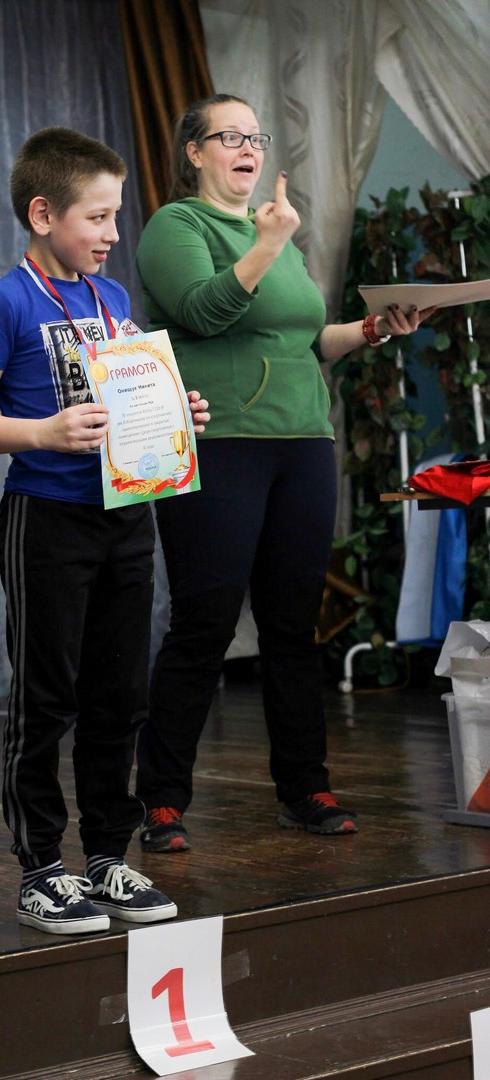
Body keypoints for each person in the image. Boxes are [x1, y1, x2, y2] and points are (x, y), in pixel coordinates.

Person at [134, 94, 435, 853]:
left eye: (255, 136)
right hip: (218, 443)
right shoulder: (177, 226)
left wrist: (372, 328)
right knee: (204, 624)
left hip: (301, 442)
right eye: (229, 136)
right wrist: (268, 244)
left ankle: (305, 788)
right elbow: (203, 312)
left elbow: (304, 340)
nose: (249, 148)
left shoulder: (276, 233)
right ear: (195, 152)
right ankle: (161, 800)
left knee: (293, 629)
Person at [0, 127, 209, 934]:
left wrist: (175, 415)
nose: (112, 233)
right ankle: (40, 869)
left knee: (118, 696)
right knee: (46, 697)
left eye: (115, 215)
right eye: (97, 217)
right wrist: (42, 432)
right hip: (47, 521)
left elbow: (124, 403)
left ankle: (106, 857)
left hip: (126, 519)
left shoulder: (112, 299)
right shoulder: (4, 302)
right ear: (42, 214)